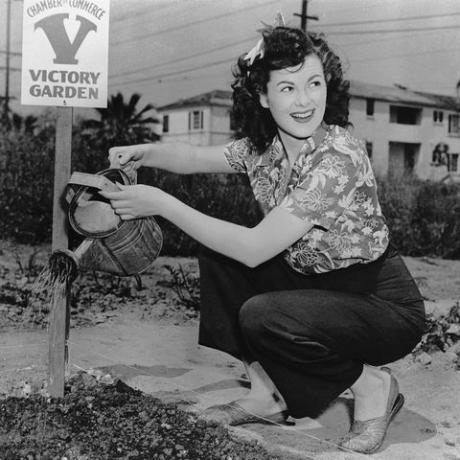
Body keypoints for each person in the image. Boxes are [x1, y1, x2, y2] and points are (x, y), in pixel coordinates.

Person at [101, 20, 426, 455]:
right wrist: (146, 153)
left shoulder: (338, 156)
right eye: (288, 88)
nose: (306, 99)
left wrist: (161, 203)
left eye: (314, 82)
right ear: (262, 95)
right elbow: (196, 156)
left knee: (264, 314)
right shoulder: (265, 149)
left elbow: (255, 249)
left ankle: (373, 387)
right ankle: (267, 394)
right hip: (318, 286)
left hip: (380, 303)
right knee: (218, 256)